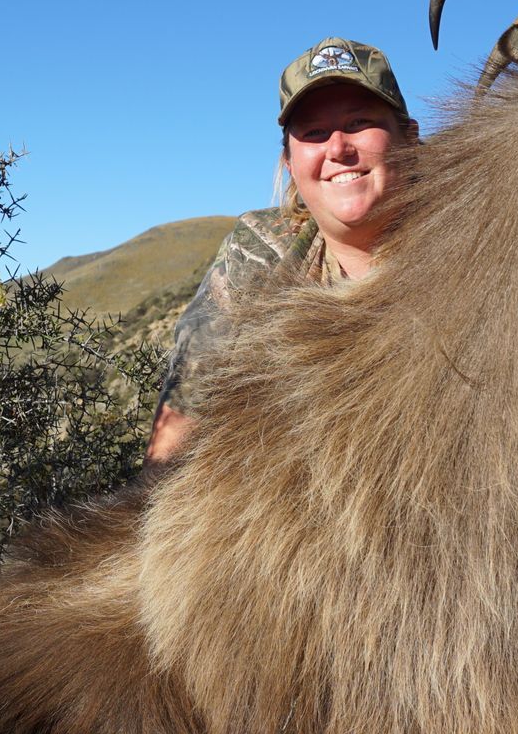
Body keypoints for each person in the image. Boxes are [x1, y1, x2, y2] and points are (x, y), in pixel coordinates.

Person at [145, 37, 419, 463]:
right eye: (313, 133)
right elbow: (185, 415)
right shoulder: (262, 247)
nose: (338, 149)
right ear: (290, 163)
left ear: (409, 136)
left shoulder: (471, 236)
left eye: (360, 122)